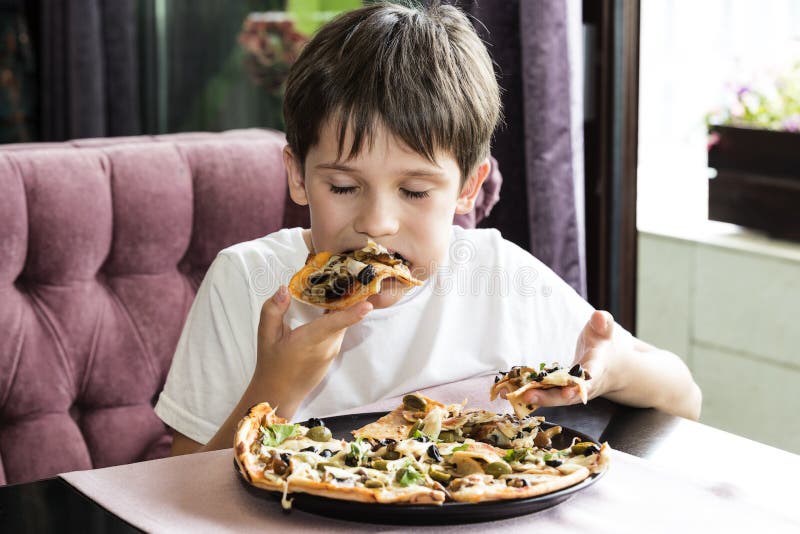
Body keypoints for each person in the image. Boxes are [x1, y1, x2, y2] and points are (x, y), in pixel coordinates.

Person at [156, 2, 701, 455]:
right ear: (297, 176)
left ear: (468, 187)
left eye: (415, 192)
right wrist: (275, 389)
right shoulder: (248, 282)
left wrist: (606, 371)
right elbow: (172, 494)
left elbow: (684, 397)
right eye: (343, 187)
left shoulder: (498, 275)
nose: (376, 225)